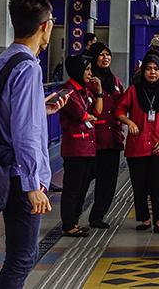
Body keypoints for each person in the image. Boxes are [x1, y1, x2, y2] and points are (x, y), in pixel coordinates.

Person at [0, 0, 68, 288]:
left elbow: (6, 113)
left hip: (5, 165)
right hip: (20, 174)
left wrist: (41, 107)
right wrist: (33, 184)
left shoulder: (3, 59)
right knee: (22, 257)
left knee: (20, 254)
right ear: (45, 26)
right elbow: (23, 132)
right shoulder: (27, 66)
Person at [116, 52, 159, 234]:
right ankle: (145, 218)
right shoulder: (133, 91)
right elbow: (119, 110)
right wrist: (129, 122)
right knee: (139, 185)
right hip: (137, 147)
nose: (152, 73)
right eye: (148, 69)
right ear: (143, 70)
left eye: (155, 69)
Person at [59, 55, 103, 238]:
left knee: (83, 185)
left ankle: (75, 221)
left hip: (88, 146)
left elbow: (97, 112)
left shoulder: (84, 90)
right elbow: (82, 115)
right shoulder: (68, 90)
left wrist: (99, 91)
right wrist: (88, 116)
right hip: (75, 147)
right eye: (86, 70)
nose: (90, 73)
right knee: (72, 186)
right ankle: (69, 223)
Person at [86, 42, 124, 229]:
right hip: (91, 139)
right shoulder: (89, 81)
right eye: (101, 55)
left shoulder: (115, 81)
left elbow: (122, 105)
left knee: (108, 181)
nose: (105, 58)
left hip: (112, 139)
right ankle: (73, 216)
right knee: (84, 179)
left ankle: (97, 216)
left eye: (108, 54)